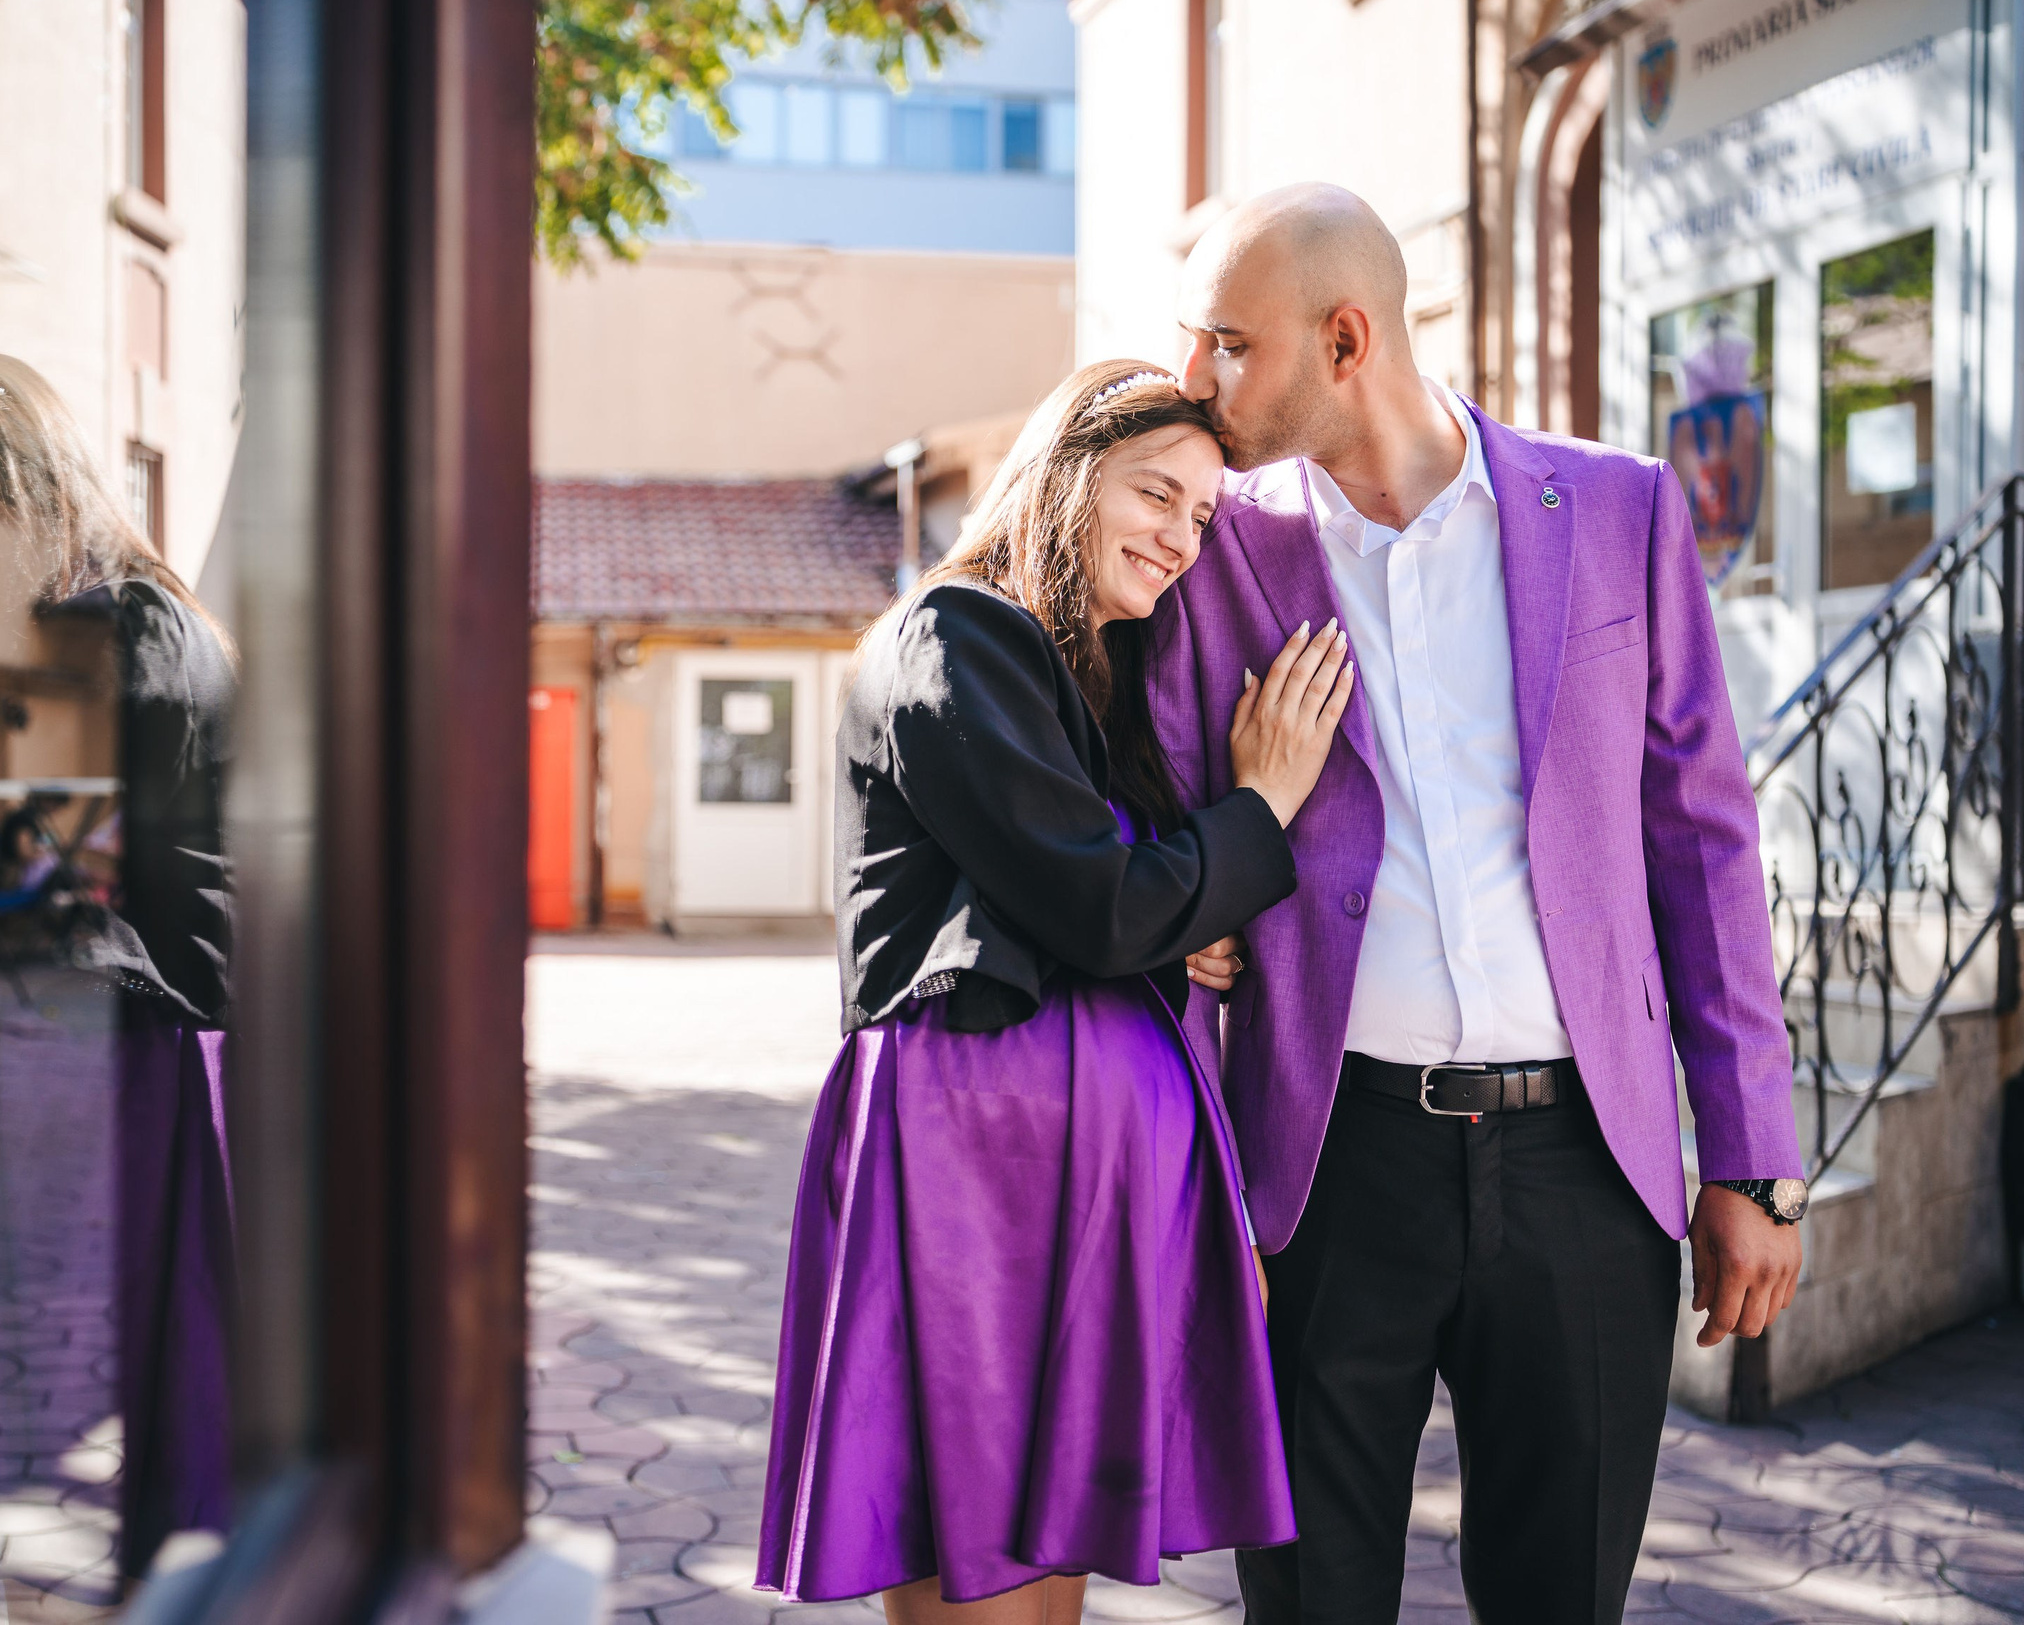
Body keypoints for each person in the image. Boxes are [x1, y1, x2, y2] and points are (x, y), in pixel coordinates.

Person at [1150, 183, 1805, 1625]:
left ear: (1343, 337)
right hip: (1325, 1169)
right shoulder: (1214, 560)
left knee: (1559, 1594)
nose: (1194, 381)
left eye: (1223, 344)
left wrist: (1752, 1156)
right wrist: (1210, 1205)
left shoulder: (1621, 507)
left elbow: (1700, 839)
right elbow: (1180, 884)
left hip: (1586, 1164)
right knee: (1312, 1603)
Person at [757, 360, 1355, 1624]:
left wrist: (1160, 908)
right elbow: (1100, 904)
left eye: (1202, 518)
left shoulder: (1077, 672)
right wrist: (1253, 818)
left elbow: (1106, 900)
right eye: (1156, 493)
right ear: (1066, 475)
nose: (1181, 540)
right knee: (969, 1561)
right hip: (966, 1165)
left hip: (1061, 1173)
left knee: (1044, 1583)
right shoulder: (954, 630)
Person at [0, 351, 237, 1584]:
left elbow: (21, 906)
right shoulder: (79, 628)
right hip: (118, 1075)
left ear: (18, 478)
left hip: (158, 1085)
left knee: (151, 1496)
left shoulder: (115, 631)